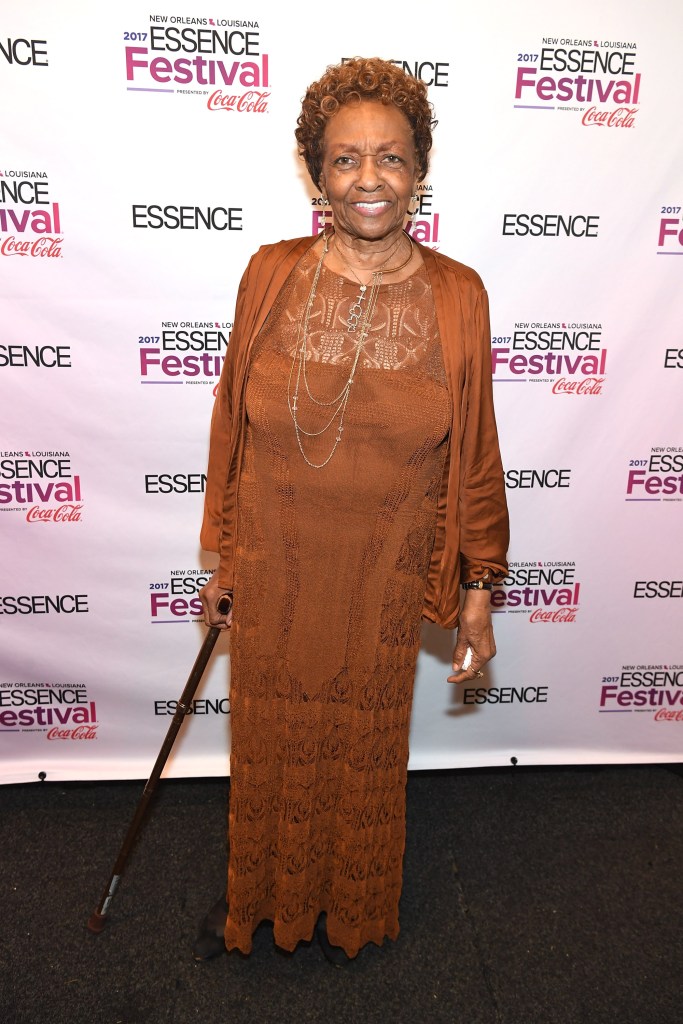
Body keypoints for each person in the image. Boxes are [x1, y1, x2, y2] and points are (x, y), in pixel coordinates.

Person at [196, 56, 509, 966]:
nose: (368, 179)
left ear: (419, 170)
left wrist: (478, 582)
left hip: (382, 577)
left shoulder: (459, 294)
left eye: (391, 157)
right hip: (276, 563)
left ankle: (350, 911)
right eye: (344, 159)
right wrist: (222, 557)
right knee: (273, 746)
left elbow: (476, 448)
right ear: (313, 171)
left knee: (360, 749)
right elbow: (230, 426)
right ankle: (262, 905)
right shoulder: (270, 274)